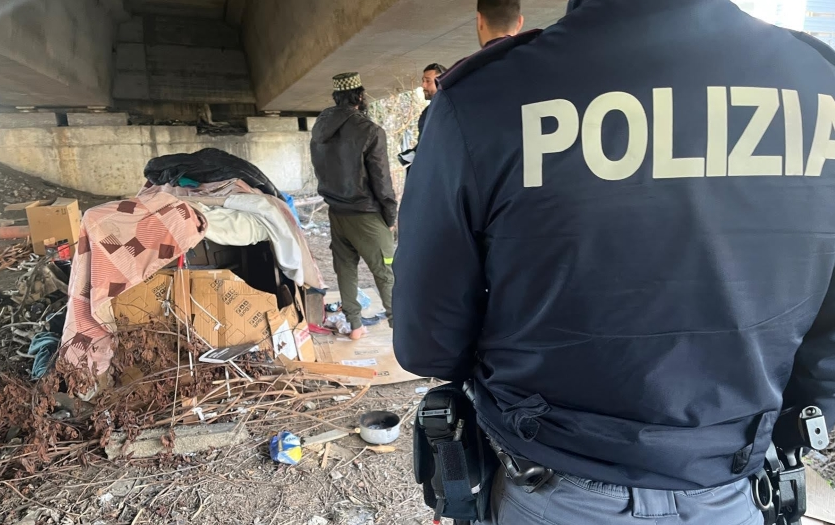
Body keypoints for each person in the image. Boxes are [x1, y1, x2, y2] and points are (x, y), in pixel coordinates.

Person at [393, 0, 835, 523]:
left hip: (550, 487)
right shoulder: (818, 84)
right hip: (732, 485)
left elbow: (428, 342)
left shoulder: (486, 97)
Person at [310, 72, 397, 340]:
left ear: (337, 97)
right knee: (386, 272)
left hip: (336, 212)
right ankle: (401, 327)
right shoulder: (370, 130)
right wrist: (390, 214)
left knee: (345, 270)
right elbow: (381, 180)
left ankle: (355, 327)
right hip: (367, 215)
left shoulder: (320, 127)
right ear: (360, 96)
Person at [418, 63, 447, 141]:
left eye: (428, 81)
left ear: (441, 83)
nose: (423, 85)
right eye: (423, 81)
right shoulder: (427, 112)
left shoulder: (453, 110)